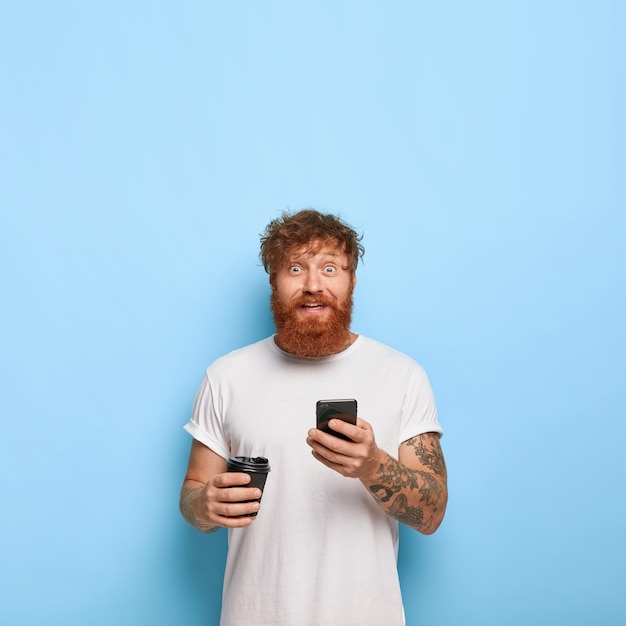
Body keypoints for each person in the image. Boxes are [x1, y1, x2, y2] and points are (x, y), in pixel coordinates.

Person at [179, 209, 448, 626]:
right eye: (295, 268)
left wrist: (372, 464)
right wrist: (205, 504)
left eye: (329, 268)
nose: (313, 285)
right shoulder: (226, 377)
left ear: (351, 280)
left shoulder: (402, 376)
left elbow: (431, 515)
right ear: (274, 281)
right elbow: (193, 493)